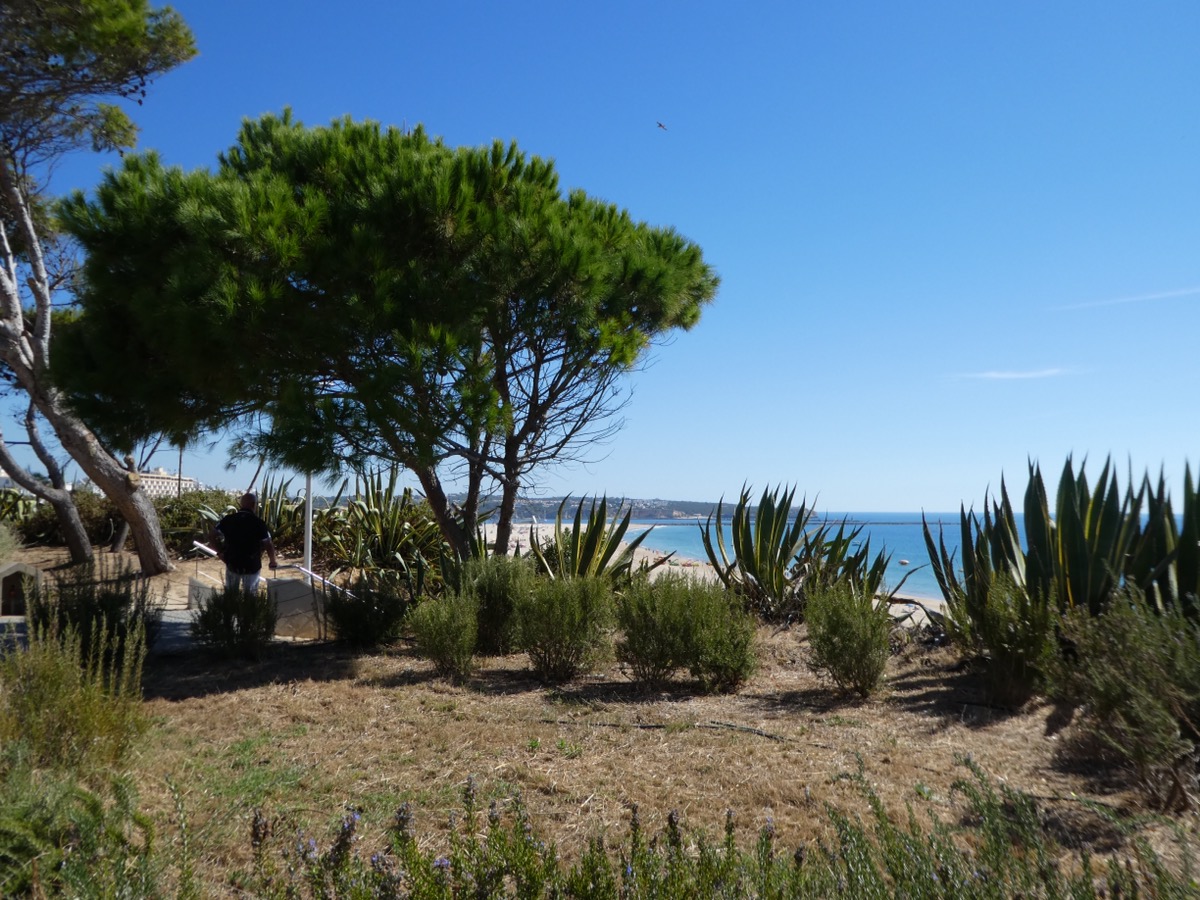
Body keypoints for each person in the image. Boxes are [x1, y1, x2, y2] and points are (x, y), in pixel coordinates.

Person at [212, 492, 278, 593]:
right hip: (252, 565)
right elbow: (268, 544)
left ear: (241, 504)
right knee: (250, 596)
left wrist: (220, 552)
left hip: (232, 563)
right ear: (253, 504)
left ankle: (230, 608)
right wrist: (272, 561)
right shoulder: (258, 523)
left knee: (231, 595)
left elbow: (211, 535)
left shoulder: (228, 520)